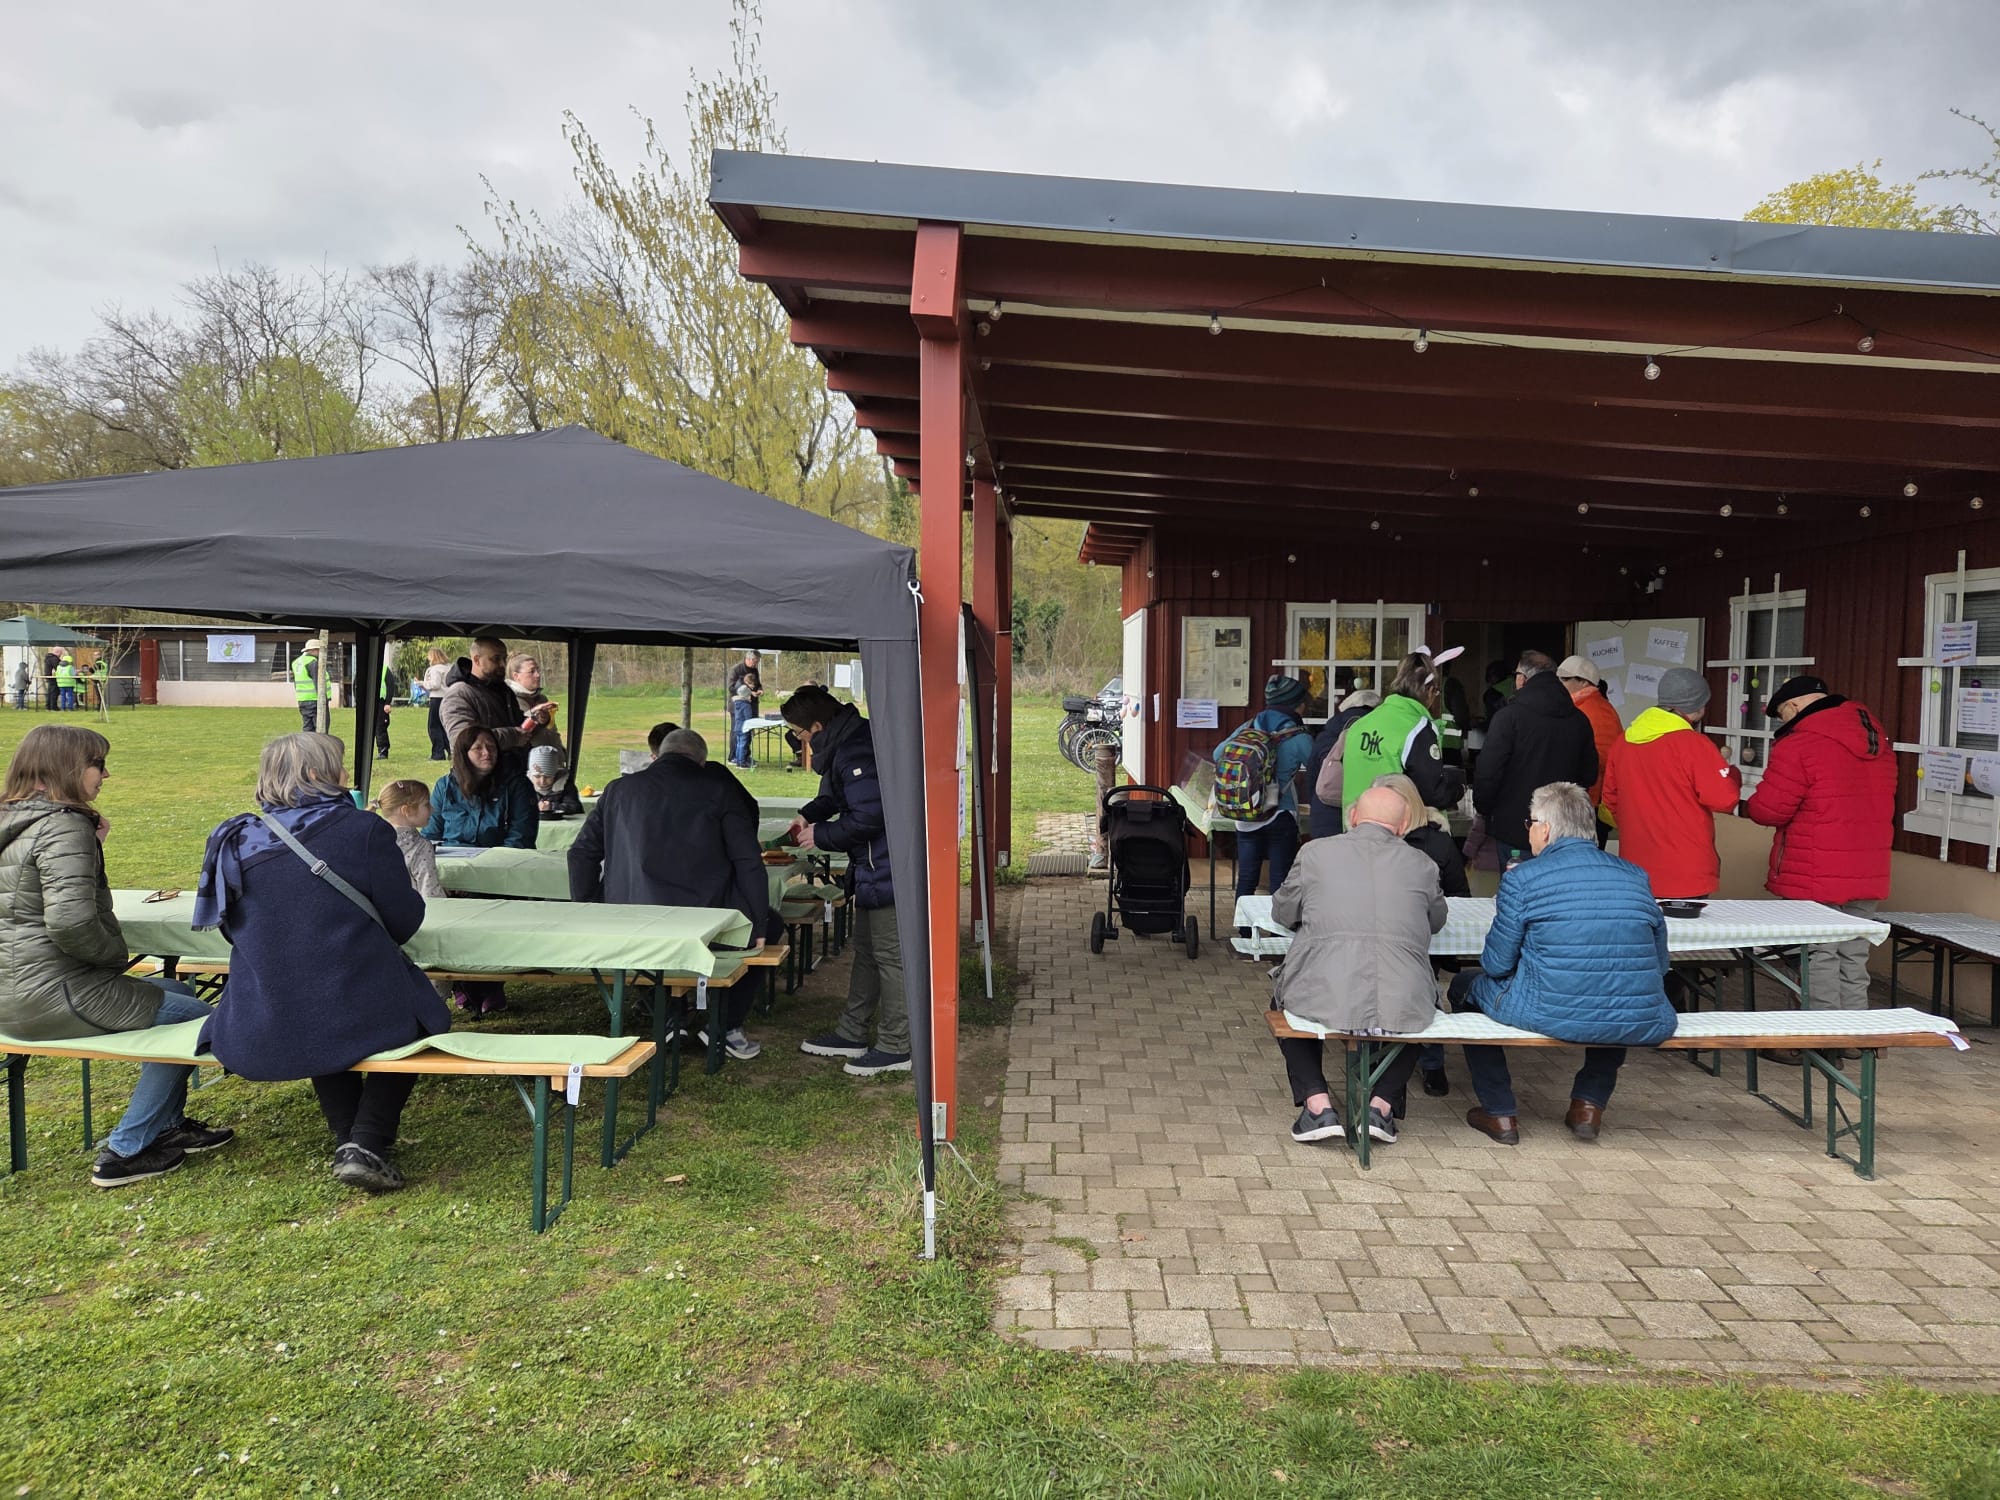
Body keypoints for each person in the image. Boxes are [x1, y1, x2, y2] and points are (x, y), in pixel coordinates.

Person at [196, 733, 450, 1193]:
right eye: (338, 766)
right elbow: (404, 920)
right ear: (315, 775)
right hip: (348, 1000)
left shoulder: (236, 839)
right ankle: (366, 1139)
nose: (346, 775)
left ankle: (348, 1137)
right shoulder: (363, 830)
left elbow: (232, 930)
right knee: (424, 1014)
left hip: (265, 1006)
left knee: (318, 1006)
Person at [0, 724, 235, 1188]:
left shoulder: (17, 820)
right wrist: (113, 959)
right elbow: (70, 924)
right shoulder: (64, 827)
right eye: (98, 764)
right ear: (66, 768)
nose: (105, 775)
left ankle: (167, 1126)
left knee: (171, 990)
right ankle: (127, 1149)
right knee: (198, 1021)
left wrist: (93, 845)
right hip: (56, 996)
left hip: (13, 993)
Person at [1451, 782, 1676, 1143]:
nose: (1528, 831)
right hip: (1636, 1014)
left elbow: (1496, 965)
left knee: (1464, 987)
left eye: (1530, 823)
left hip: (1547, 1008)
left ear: (1545, 829)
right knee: (1618, 992)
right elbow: (1659, 962)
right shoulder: (1635, 876)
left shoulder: (1523, 878)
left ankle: (1499, 1111)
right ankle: (1589, 1104)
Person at [568, 728, 769, 1060]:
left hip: (630, 922)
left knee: (647, 951)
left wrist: (588, 908)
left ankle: (669, 1015)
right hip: (704, 922)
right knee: (771, 929)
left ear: (658, 756)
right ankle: (725, 1026)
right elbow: (748, 861)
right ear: (701, 761)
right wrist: (759, 922)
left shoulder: (618, 790)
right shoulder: (720, 790)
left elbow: (581, 855)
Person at [1268, 786, 1448, 1146]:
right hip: (1404, 999)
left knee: (1284, 1003)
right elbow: (1436, 921)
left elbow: (1283, 911)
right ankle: (1380, 1107)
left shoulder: (1314, 853)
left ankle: (1317, 1105)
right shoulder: (1423, 865)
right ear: (1402, 826)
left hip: (1324, 992)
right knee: (1426, 1010)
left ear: (1352, 817)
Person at [1744, 675, 1898, 1042]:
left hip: (1815, 870)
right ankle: (1855, 1040)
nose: (1784, 722)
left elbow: (1769, 809)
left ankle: (1822, 1039)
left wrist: (1749, 800)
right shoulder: (1878, 742)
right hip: (1868, 868)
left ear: (1795, 706)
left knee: (1818, 955)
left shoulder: (1800, 744)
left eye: (1782, 714)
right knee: (1853, 954)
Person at [781, 684, 908, 1076]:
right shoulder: (848, 743)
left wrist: (820, 835)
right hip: (873, 869)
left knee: (890, 959)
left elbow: (869, 817)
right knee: (868, 953)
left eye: (799, 734)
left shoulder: (856, 751)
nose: (799, 742)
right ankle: (852, 1033)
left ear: (817, 727)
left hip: (887, 868)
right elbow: (839, 796)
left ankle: (897, 1046)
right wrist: (808, 814)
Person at [1602, 666, 1741, 900]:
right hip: (1685, 871)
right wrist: (1732, 774)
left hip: (1635, 869)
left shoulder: (1623, 742)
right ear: (1698, 707)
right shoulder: (1695, 745)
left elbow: (1609, 802)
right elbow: (1724, 799)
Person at [1376, 772, 1467, 1100]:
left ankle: (1430, 1061)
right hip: (1393, 940)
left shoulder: (1437, 842)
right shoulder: (1370, 841)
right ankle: (1414, 1062)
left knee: (1420, 986)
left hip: (1419, 940)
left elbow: (1458, 896)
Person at [1473, 649, 1598, 865]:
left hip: (1515, 827)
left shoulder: (1508, 717)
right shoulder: (1579, 720)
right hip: (1563, 828)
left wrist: (1485, 810)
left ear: (1522, 679)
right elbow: (1589, 774)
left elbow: (1488, 772)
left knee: (1518, 883)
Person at [1333, 653, 1464, 818]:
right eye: (1436, 692)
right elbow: (1432, 793)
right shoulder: (1417, 728)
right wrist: (1458, 789)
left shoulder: (1360, 725)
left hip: (1356, 825)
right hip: (1398, 828)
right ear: (1430, 690)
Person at [1219, 674, 1314, 899]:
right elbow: (1318, 766)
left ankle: (1242, 922)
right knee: (1279, 879)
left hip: (1247, 811)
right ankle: (1276, 922)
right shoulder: (1298, 737)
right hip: (1281, 813)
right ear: (1296, 706)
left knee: (1247, 878)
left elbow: (1217, 754)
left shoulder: (1249, 727)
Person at [440, 636, 546, 778]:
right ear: (477, 660)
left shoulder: (503, 690)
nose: (502, 664)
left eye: (504, 658)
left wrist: (536, 721)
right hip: (481, 781)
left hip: (514, 775)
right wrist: (513, 736)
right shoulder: (458, 695)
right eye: (496, 659)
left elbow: (518, 727)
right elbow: (463, 740)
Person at [423, 727, 538, 850]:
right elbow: (431, 834)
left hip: (499, 858)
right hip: (451, 856)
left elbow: (520, 838)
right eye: (478, 748)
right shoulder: (445, 786)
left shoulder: (517, 785)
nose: (487, 753)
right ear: (464, 753)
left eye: (491, 747)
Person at [1556, 655, 1623, 846]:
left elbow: (1604, 759)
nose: (1559, 683)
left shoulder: (1594, 711)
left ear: (1584, 682)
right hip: (1583, 799)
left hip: (1589, 802)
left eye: (1565, 679)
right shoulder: (1583, 706)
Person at [1303, 679, 1378, 838]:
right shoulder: (1379, 734)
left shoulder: (1327, 734)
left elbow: (1312, 777)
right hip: (1366, 815)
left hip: (1325, 813)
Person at [373, 779, 446, 899]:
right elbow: (431, 893)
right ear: (407, 810)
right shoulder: (421, 847)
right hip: (411, 909)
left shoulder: (372, 840)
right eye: (426, 804)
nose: (432, 809)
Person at [507, 653, 562, 750]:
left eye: (538, 670)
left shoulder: (542, 699)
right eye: (532, 671)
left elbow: (552, 730)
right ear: (516, 676)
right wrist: (534, 715)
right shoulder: (509, 701)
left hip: (553, 755)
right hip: (526, 757)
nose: (538, 675)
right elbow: (517, 734)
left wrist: (562, 751)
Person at [727, 650, 764, 768]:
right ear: (748, 659)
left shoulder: (755, 670)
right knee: (737, 731)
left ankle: (745, 756)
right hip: (738, 706)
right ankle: (733, 757)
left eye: (757, 662)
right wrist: (748, 692)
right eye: (755, 662)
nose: (756, 664)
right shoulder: (736, 669)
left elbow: (757, 683)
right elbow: (731, 687)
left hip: (752, 704)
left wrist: (760, 690)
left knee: (749, 731)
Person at [528, 744, 584, 819]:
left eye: (548, 777)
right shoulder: (525, 785)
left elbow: (575, 807)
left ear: (555, 774)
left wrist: (552, 806)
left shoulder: (565, 785)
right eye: (537, 776)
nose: (542, 781)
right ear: (531, 775)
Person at [422, 648, 452, 760]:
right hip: (447, 698)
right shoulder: (448, 668)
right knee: (444, 726)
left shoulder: (434, 669)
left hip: (437, 698)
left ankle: (438, 753)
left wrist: (423, 684)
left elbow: (435, 684)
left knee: (433, 726)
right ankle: (451, 750)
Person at [291, 641, 325, 733]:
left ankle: (305, 742)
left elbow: (295, 682)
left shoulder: (296, 662)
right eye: (320, 650)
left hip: (302, 699)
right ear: (314, 650)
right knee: (320, 728)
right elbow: (318, 683)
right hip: (314, 699)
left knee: (307, 727)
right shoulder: (313, 662)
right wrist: (323, 698)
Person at [42, 647, 61, 712]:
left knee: (50, 692)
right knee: (54, 692)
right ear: (58, 652)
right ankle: (53, 707)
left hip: (48, 676)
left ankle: (48, 706)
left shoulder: (48, 658)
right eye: (61, 653)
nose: (61, 654)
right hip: (53, 677)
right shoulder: (54, 659)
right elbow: (58, 668)